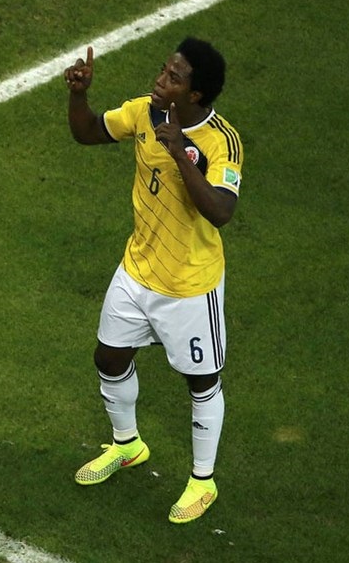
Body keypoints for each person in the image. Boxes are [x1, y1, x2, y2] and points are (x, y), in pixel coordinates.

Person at [64, 38, 244, 523]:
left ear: (196, 96)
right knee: (108, 356)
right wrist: (79, 95)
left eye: (173, 78)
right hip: (137, 269)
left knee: (201, 381)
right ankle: (128, 445)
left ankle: (202, 482)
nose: (160, 81)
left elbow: (222, 212)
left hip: (189, 285)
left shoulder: (219, 142)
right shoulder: (145, 112)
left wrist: (181, 152)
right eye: (164, 71)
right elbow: (88, 132)